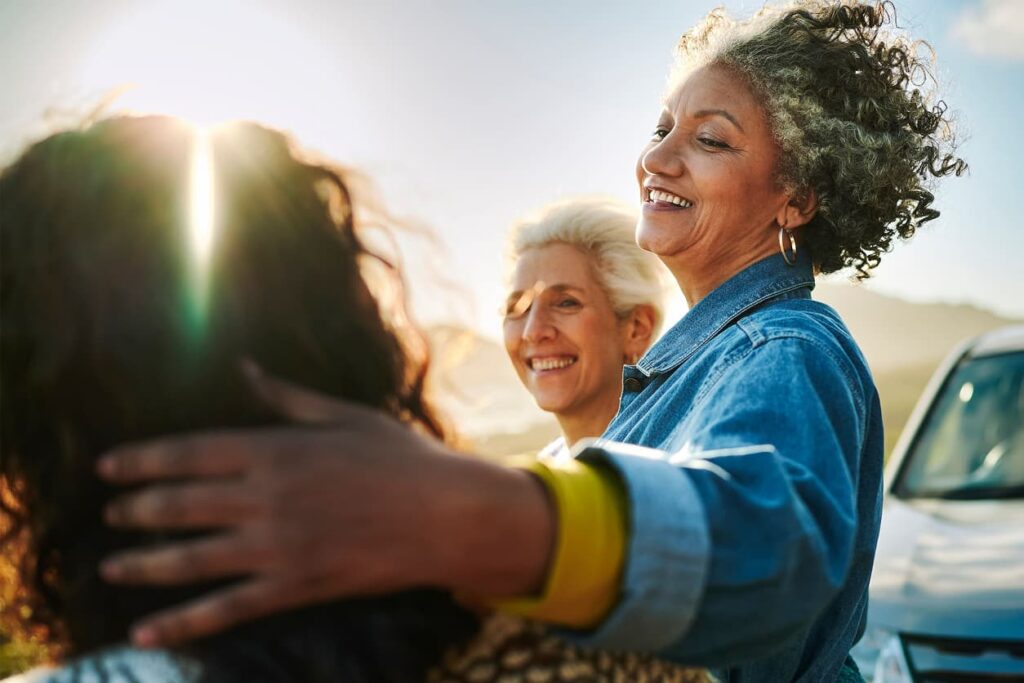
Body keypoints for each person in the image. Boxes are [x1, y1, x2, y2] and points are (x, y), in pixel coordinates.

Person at [93, 2, 966, 681]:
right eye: (661, 128)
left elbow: (769, 551)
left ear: (798, 199)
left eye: (709, 140)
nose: (658, 159)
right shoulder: (683, 370)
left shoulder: (781, 347)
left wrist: (459, 510)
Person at [502, 197, 666, 453]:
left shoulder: (671, 460)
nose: (533, 332)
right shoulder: (549, 465)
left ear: (637, 327)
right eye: (517, 308)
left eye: (566, 303)